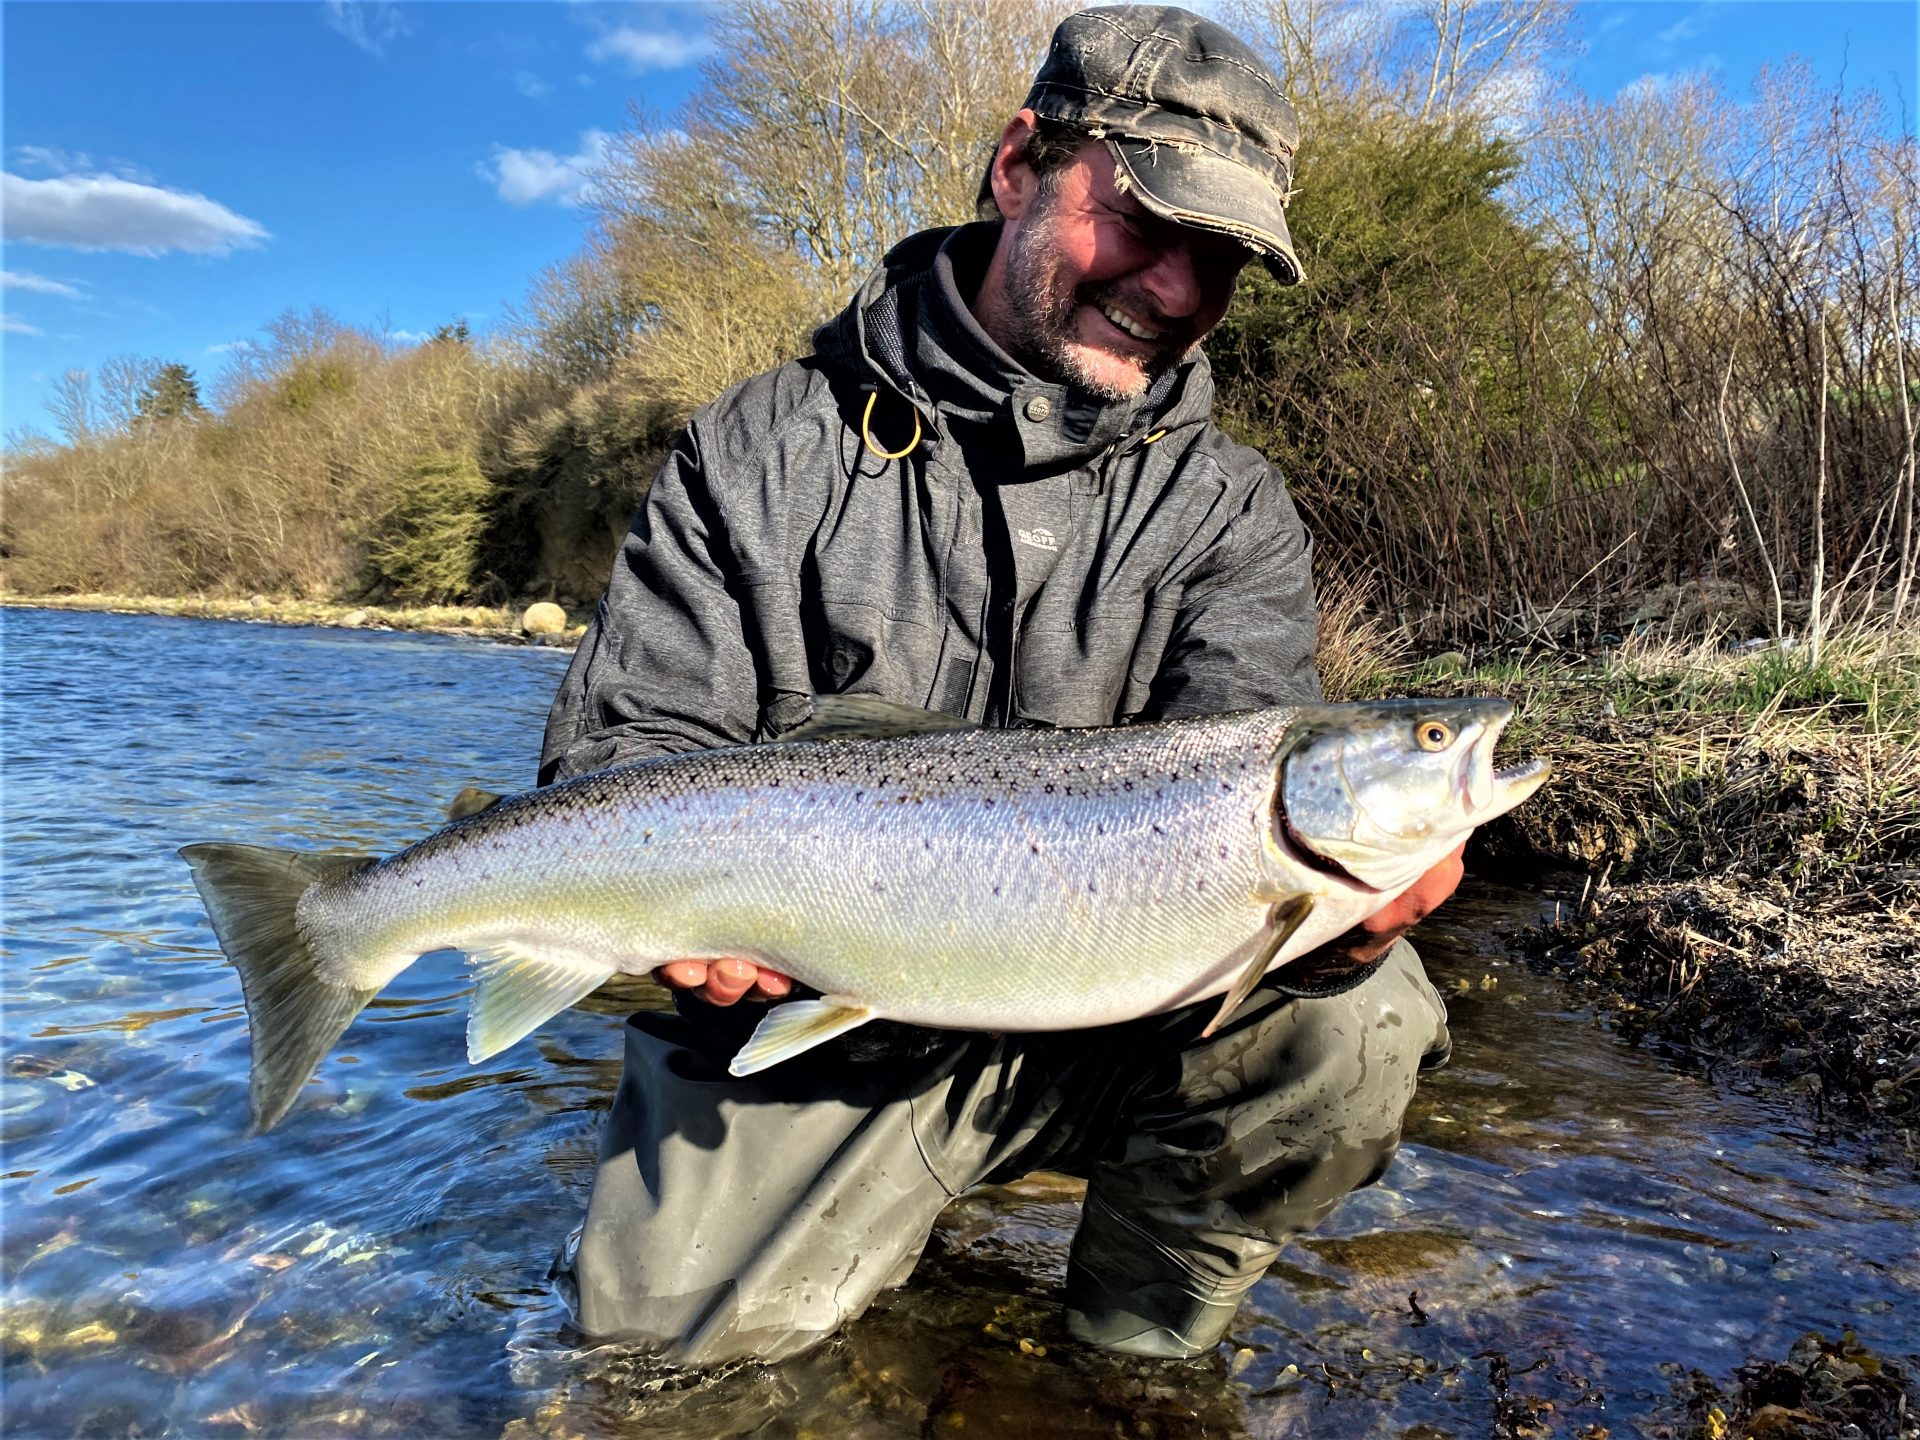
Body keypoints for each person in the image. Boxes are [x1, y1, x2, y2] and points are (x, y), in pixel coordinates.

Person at [539, 4, 1459, 1366]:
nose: (1175, 289)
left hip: (1109, 1025)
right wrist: (680, 920)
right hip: (810, 1032)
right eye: (1146, 221)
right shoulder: (759, 447)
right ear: (1020, 162)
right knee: (649, 1370)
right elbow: (626, 749)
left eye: (1221, 261)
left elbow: (1233, 785)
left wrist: (1348, 930)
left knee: (1359, 1026)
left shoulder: (1231, 511)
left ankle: (1129, 1364)